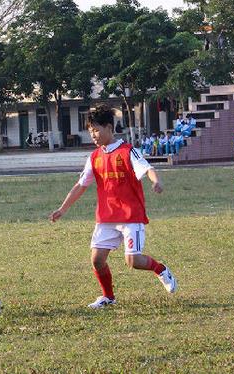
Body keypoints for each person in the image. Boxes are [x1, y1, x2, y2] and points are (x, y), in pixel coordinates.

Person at [49, 104, 177, 310]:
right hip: (106, 217)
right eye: (90, 130)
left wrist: (156, 181)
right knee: (97, 260)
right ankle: (108, 297)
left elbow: (148, 168)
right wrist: (62, 209)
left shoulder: (128, 151)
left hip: (130, 216)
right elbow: (80, 185)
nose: (93, 134)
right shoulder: (94, 157)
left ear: (109, 127)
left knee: (133, 261)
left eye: (96, 129)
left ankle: (161, 269)